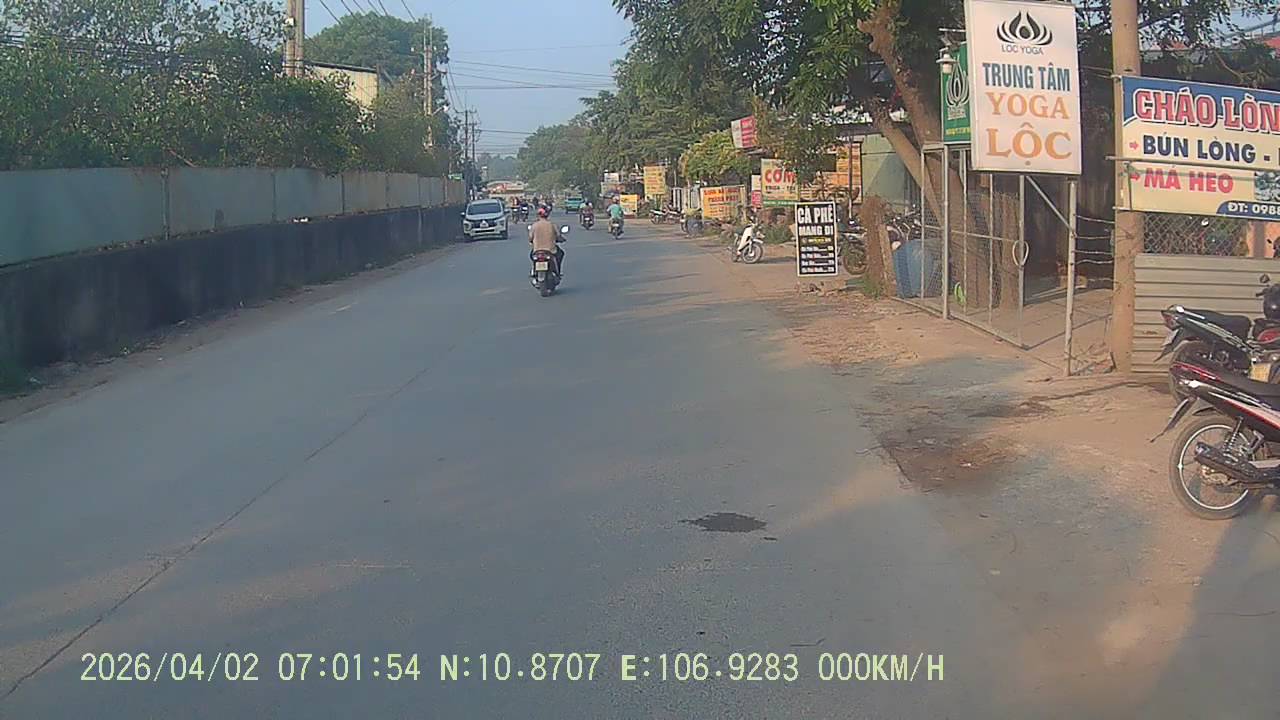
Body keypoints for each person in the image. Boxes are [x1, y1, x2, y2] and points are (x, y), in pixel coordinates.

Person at [528, 205, 565, 277]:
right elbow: (558, 236)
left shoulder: (534, 225)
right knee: (561, 254)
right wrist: (561, 239)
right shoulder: (552, 225)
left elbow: (530, 238)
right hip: (551, 250)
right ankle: (557, 271)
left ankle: (534, 270)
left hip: (537, 250)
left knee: (531, 256)